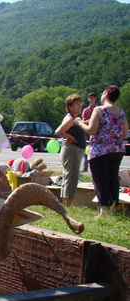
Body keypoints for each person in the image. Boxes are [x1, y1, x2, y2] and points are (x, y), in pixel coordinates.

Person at [76, 86, 128, 218]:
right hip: (117, 150)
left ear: (105, 94)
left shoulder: (99, 110)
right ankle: (114, 209)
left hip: (100, 150)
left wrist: (80, 123)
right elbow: (125, 134)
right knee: (113, 179)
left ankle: (103, 210)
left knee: (100, 180)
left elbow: (91, 130)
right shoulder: (121, 112)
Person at [55, 94, 86, 208]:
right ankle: (67, 204)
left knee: (70, 176)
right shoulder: (70, 118)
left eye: (80, 104)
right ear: (69, 106)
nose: (79, 106)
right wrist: (69, 137)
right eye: (76, 104)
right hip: (72, 150)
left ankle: (66, 203)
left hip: (75, 150)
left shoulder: (75, 118)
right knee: (71, 177)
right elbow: (59, 131)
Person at [80, 92, 98, 172]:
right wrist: (90, 121)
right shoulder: (86, 110)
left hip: (97, 131)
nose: (91, 99)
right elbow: (83, 121)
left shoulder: (99, 108)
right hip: (87, 131)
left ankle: (95, 167)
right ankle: (85, 166)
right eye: (89, 98)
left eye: (92, 98)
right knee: (86, 149)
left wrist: (90, 121)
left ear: (95, 98)